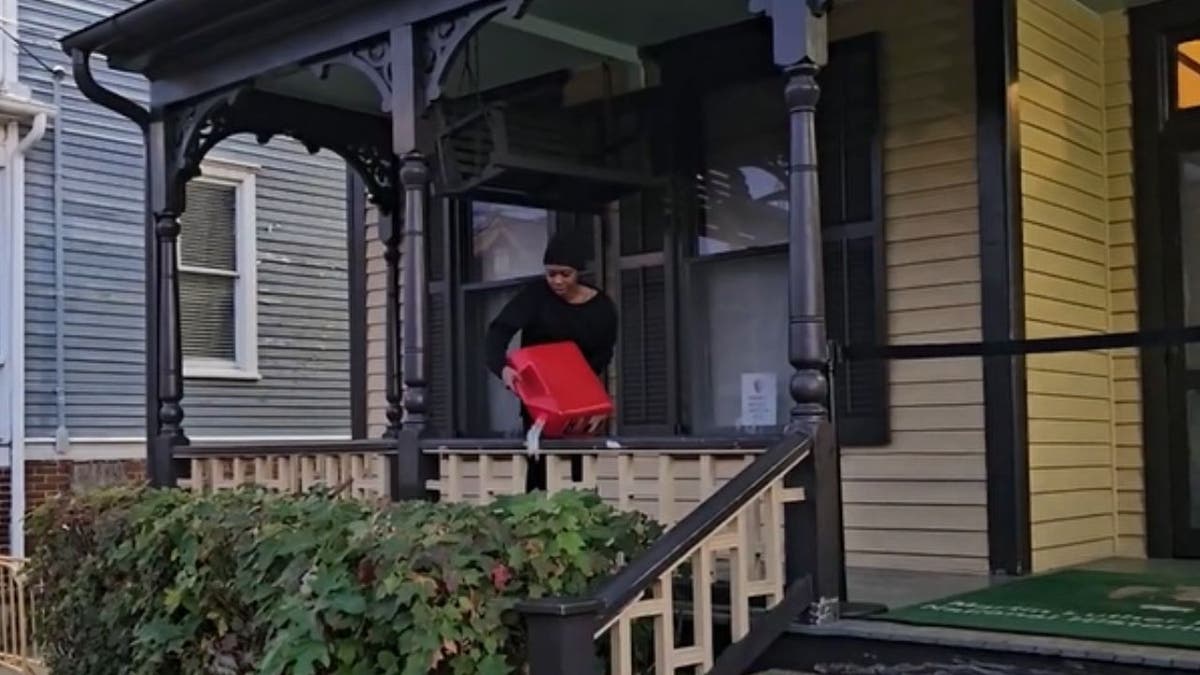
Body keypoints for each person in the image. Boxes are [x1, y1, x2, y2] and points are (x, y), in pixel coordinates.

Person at [485, 229, 618, 491]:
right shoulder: (535, 296)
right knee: (538, 464)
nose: (557, 281)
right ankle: (535, 516)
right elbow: (498, 331)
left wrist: (592, 401)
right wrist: (503, 369)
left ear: (578, 272)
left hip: (579, 396)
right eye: (551, 274)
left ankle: (583, 517)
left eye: (565, 274)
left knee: (582, 469)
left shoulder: (602, 307)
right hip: (538, 394)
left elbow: (603, 354)